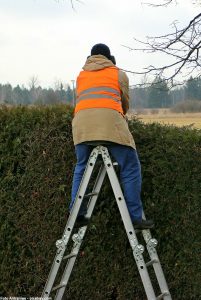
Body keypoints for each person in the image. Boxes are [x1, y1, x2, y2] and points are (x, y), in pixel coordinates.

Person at [69, 43, 154, 229]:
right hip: (110, 125)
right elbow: (124, 105)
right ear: (109, 57)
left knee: (81, 167)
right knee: (130, 166)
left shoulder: (80, 76)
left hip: (82, 128)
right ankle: (135, 218)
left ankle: (76, 214)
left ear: (90, 57)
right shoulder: (118, 73)